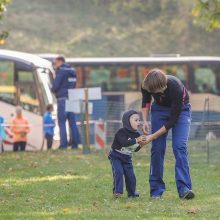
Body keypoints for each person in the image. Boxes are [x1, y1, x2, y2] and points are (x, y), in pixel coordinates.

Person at [141, 68, 195, 200]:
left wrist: (151, 137)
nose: (157, 94)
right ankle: (156, 191)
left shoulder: (175, 87)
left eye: (159, 91)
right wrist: (144, 121)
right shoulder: (147, 85)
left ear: (164, 85)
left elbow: (172, 122)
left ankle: (184, 189)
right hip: (159, 110)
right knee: (157, 148)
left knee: (179, 146)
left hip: (181, 111)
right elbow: (146, 101)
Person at [108, 110, 147, 198]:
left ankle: (132, 193)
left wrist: (141, 145)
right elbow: (124, 143)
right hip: (116, 156)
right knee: (118, 172)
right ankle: (117, 192)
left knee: (131, 176)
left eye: (139, 120)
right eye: (136, 120)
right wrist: (137, 140)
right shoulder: (121, 132)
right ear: (127, 121)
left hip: (127, 159)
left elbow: (134, 149)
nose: (138, 122)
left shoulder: (137, 134)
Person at [51, 56, 80, 149]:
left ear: (60, 61)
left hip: (62, 99)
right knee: (73, 122)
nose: (55, 65)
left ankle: (63, 145)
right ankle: (74, 144)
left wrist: (52, 88)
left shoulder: (61, 71)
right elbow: (74, 84)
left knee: (62, 122)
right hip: (72, 98)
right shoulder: (72, 71)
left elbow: (55, 86)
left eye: (55, 63)